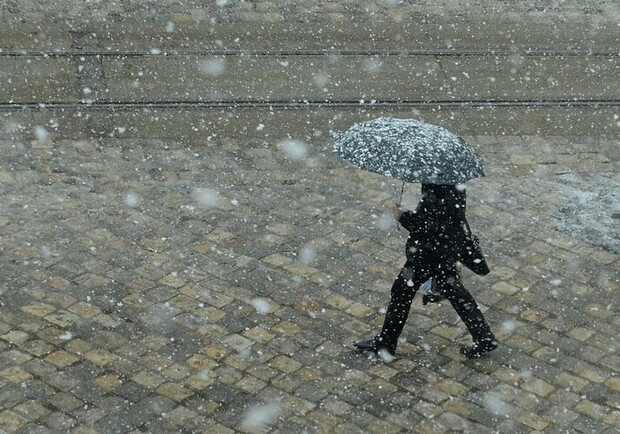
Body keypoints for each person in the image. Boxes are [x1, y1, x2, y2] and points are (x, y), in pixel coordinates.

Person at [354, 184, 497, 359]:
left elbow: (427, 227)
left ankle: (386, 343)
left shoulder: (437, 191)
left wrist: (403, 217)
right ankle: (483, 336)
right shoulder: (451, 184)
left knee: (402, 291)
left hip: (429, 253)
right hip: (444, 248)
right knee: (453, 290)